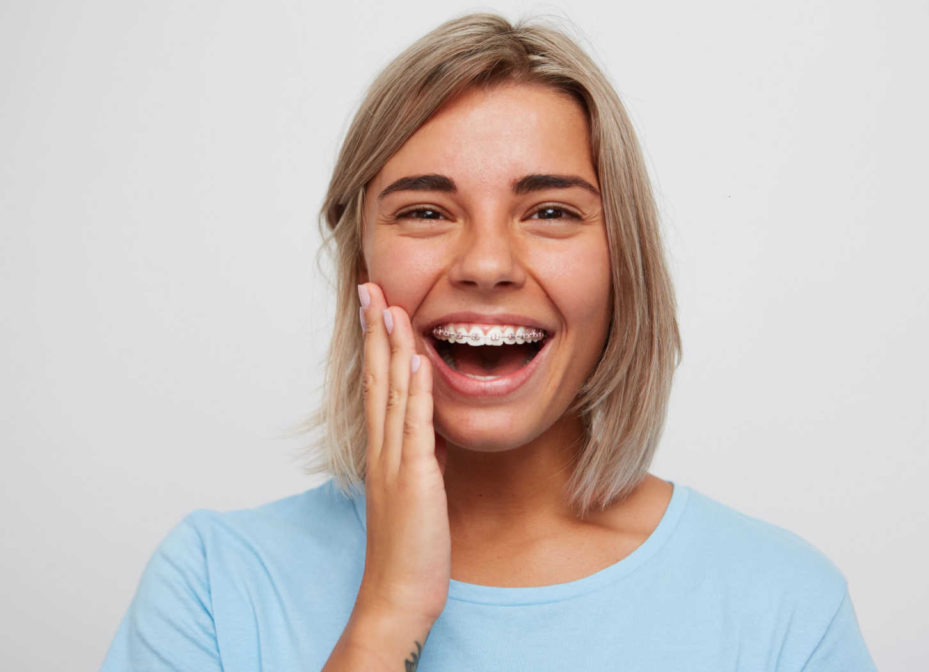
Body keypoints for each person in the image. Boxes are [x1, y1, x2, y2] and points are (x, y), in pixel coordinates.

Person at [100, 13, 877, 672]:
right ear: (360, 263)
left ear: (622, 265)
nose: (486, 265)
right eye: (426, 213)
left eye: (550, 213)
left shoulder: (783, 609)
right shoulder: (211, 584)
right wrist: (387, 613)